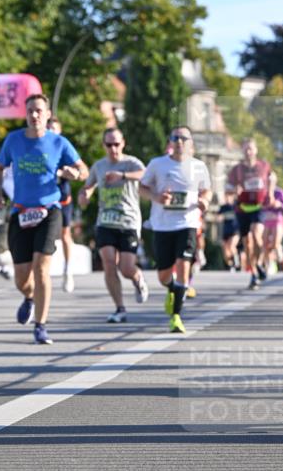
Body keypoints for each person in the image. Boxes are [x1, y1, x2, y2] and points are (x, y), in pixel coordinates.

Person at [0, 93, 88, 345]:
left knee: (42, 267)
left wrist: (75, 173)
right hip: (20, 211)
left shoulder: (59, 143)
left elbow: (84, 170)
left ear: (47, 115)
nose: (34, 115)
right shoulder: (14, 140)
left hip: (49, 210)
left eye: (38, 111)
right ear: (25, 115)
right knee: (22, 279)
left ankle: (40, 325)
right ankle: (29, 297)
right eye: (30, 111)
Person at [140, 125, 211, 333]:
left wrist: (205, 201)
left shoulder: (199, 166)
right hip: (163, 225)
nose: (179, 141)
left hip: (188, 223)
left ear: (191, 143)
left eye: (184, 138)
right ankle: (172, 289)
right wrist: (156, 197)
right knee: (163, 275)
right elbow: (142, 187)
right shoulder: (157, 164)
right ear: (170, 142)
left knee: (183, 265)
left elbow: (206, 190)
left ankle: (176, 316)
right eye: (175, 138)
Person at [78, 126, 148, 323]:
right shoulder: (99, 166)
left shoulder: (131, 163)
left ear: (123, 143)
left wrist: (123, 176)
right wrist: (85, 195)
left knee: (126, 268)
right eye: (109, 145)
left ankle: (137, 278)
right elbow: (88, 186)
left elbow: (145, 174)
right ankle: (120, 308)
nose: (113, 149)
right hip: (105, 222)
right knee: (109, 263)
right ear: (104, 145)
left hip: (128, 222)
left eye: (116, 144)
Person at [226, 138, 272, 290]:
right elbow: (228, 188)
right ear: (242, 151)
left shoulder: (263, 166)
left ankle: (258, 263)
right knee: (247, 242)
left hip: (259, 207)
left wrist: (271, 193)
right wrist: (234, 190)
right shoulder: (237, 170)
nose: (248, 152)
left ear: (256, 150)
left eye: (250, 148)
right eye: (245, 149)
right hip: (242, 208)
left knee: (257, 236)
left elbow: (272, 177)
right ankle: (254, 273)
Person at [47, 117, 76, 292]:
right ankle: (43, 269)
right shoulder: (39, 146)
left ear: (60, 131)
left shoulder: (64, 148)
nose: (51, 131)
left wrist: (69, 172)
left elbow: (77, 170)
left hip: (63, 198)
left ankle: (68, 269)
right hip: (44, 199)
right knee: (46, 234)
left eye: (54, 128)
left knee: (65, 234)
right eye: (49, 128)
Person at [260, 171, 283, 274]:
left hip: (277, 220)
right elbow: (260, 206)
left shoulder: (279, 192)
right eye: (268, 180)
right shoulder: (263, 192)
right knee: (265, 244)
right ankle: (269, 264)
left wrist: (279, 204)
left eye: (272, 180)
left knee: (275, 243)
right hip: (266, 220)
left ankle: (278, 249)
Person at [217, 192, 240, 271]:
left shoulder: (235, 206)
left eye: (229, 196)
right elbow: (218, 217)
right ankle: (230, 265)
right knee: (225, 250)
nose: (227, 198)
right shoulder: (223, 207)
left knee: (231, 246)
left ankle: (236, 261)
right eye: (226, 196)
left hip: (235, 230)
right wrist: (219, 217)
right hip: (225, 231)